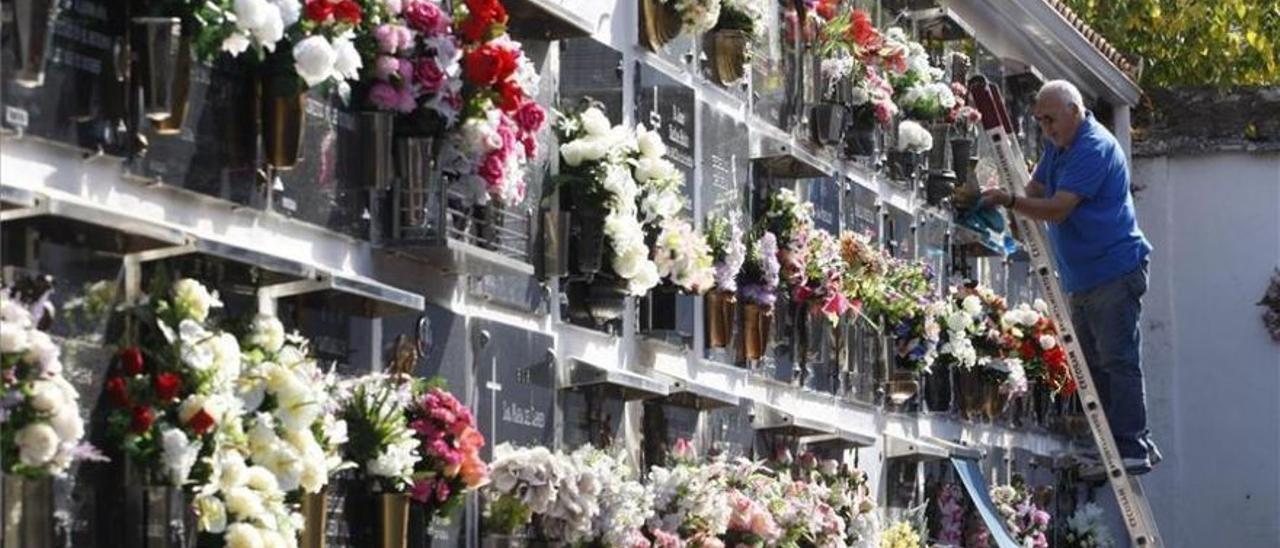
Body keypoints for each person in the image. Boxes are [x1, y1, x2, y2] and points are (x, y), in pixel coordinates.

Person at [981, 80, 1160, 476]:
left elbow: (1058, 209)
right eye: (1040, 121)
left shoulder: (1092, 147)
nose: (1045, 127)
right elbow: (1036, 189)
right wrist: (1009, 204)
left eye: (1050, 119)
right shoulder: (1058, 147)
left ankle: (1131, 445)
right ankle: (1118, 442)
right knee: (1092, 364)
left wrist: (1012, 202)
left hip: (1113, 268)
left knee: (1117, 358)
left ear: (1074, 111)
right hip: (1083, 274)